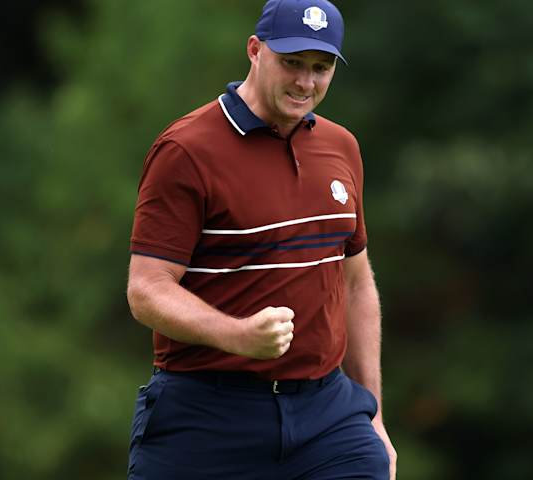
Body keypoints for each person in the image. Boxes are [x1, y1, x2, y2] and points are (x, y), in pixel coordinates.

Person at [124, 0, 396, 478]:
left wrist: (371, 411)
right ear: (255, 50)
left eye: (321, 67)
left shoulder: (341, 147)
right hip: (207, 415)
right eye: (291, 63)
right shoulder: (186, 150)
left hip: (328, 415)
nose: (306, 83)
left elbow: (355, 283)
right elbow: (147, 289)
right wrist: (238, 335)